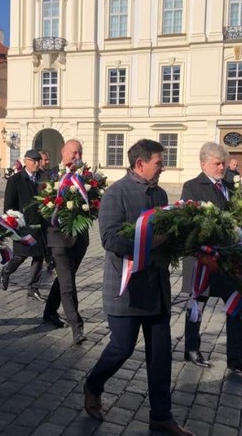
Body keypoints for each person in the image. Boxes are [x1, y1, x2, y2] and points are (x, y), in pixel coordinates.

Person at [83, 139, 194, 436]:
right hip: (126, 288)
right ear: (140, 163)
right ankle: (93, 384)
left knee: (160, 356)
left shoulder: (159, 192)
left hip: (156, 288)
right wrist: (151, 242)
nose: (163, 167)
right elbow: (110, 239)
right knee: (121, 348)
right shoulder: (115, 194)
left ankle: (161, 415)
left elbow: (166, 234)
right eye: (159, 162)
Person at [180, 142, 242, 375]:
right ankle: (192, 348)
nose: (222, 167)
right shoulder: (192, 187)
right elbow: (190, 221)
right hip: (203, 258)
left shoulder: (231, 187)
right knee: (197, 302)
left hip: (230, 259)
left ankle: (237, 358)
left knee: (236, 305)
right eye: (217, 163)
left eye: (224, 163)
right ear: (203, 163)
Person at [41, 139, 89, 344]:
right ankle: (77, 327)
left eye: (79, 153)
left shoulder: (86, 177)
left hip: (80, 239)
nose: (77, 157)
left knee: (64, 279)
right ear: (63, 152)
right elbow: (43, 208)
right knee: (68, 283)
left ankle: (49, 312)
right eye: (73, 153)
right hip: (58, 238)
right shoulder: (50, 176)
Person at [0, 149, 49, 302]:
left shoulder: (42, 178)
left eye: (38, 161)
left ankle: (33, 289)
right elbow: (9, 204)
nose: (36, 164)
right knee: (21, 255)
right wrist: (11, 222)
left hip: (40, 224)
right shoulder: (15, 180)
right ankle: (6, 270)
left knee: (39, 256)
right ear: (25, 161)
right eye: (33, 161)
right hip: (23, 224)